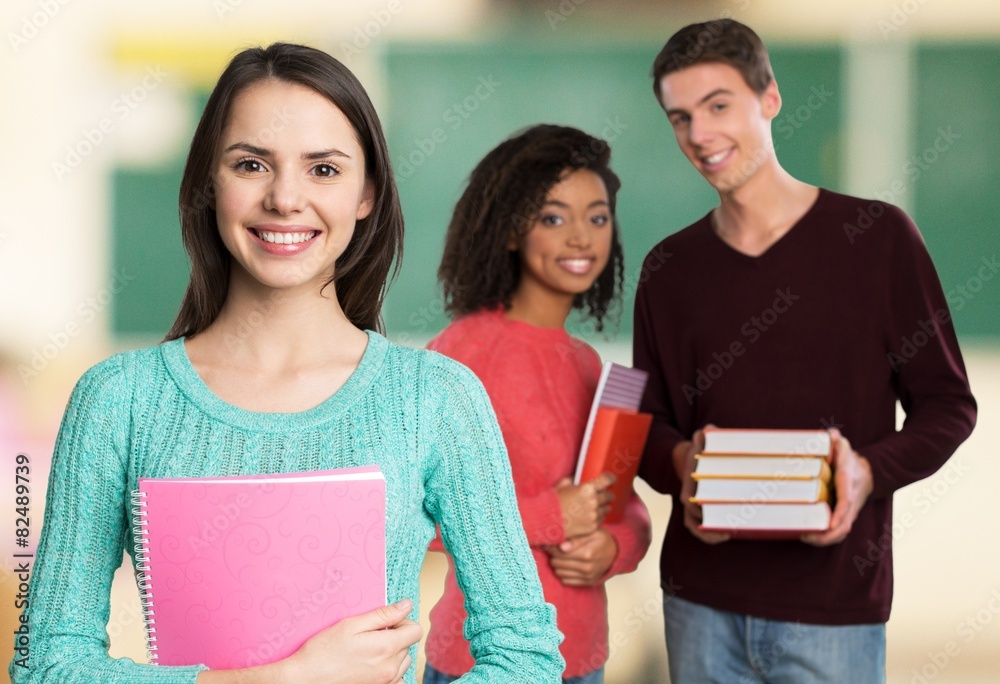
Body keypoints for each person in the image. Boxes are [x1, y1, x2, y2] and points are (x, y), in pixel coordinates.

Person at [11, 43, 564, 684]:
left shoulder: (434, 398)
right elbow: (46, 667)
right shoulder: (118, 400)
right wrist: (288, 677)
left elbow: (526, 660)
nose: (285, 198)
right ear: (207, 184)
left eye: (324, 170)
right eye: (251, 164)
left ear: (367, 194)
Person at [634, 19, 977, 683]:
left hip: (834, 612)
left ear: (770, 99)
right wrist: (680, 462)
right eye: (680, 118)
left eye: (718, 106)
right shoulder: (668, 269)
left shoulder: (878, 241)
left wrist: (866, 473)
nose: (699, 135)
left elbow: (948, 407)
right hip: (699, 605)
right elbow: (641, 426)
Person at [423, 124, 652, 684]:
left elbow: (620, 500)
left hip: (582, 660)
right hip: (484, 662)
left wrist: (615, 546)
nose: (581, 237)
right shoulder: (461, 354)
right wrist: (553, 516)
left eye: (597, 217)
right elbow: (416, 515)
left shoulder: (588, 365)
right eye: (553, 217)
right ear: (509, 232)